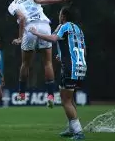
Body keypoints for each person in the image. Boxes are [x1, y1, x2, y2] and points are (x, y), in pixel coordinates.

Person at [0, 0, 67, 108]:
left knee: (25, 63)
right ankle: (51, 96)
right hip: (44, 27)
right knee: (47, 63)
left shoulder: (12, 5)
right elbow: (42, 1)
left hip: (30, 28)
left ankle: (21, 93)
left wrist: (20, 37)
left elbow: (22, 17)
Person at [29, 7, 86, 140]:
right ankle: (72, 129)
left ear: (64, 16)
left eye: (60, 14)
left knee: (65, 100)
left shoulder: (65, 26)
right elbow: (75, 46)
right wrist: (62, 56)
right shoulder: (78, 29)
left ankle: (78, 132)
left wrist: (37, 33)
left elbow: (54, 38)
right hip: (81, 65)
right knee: (70, 99)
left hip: (70, 67)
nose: (59, 16)